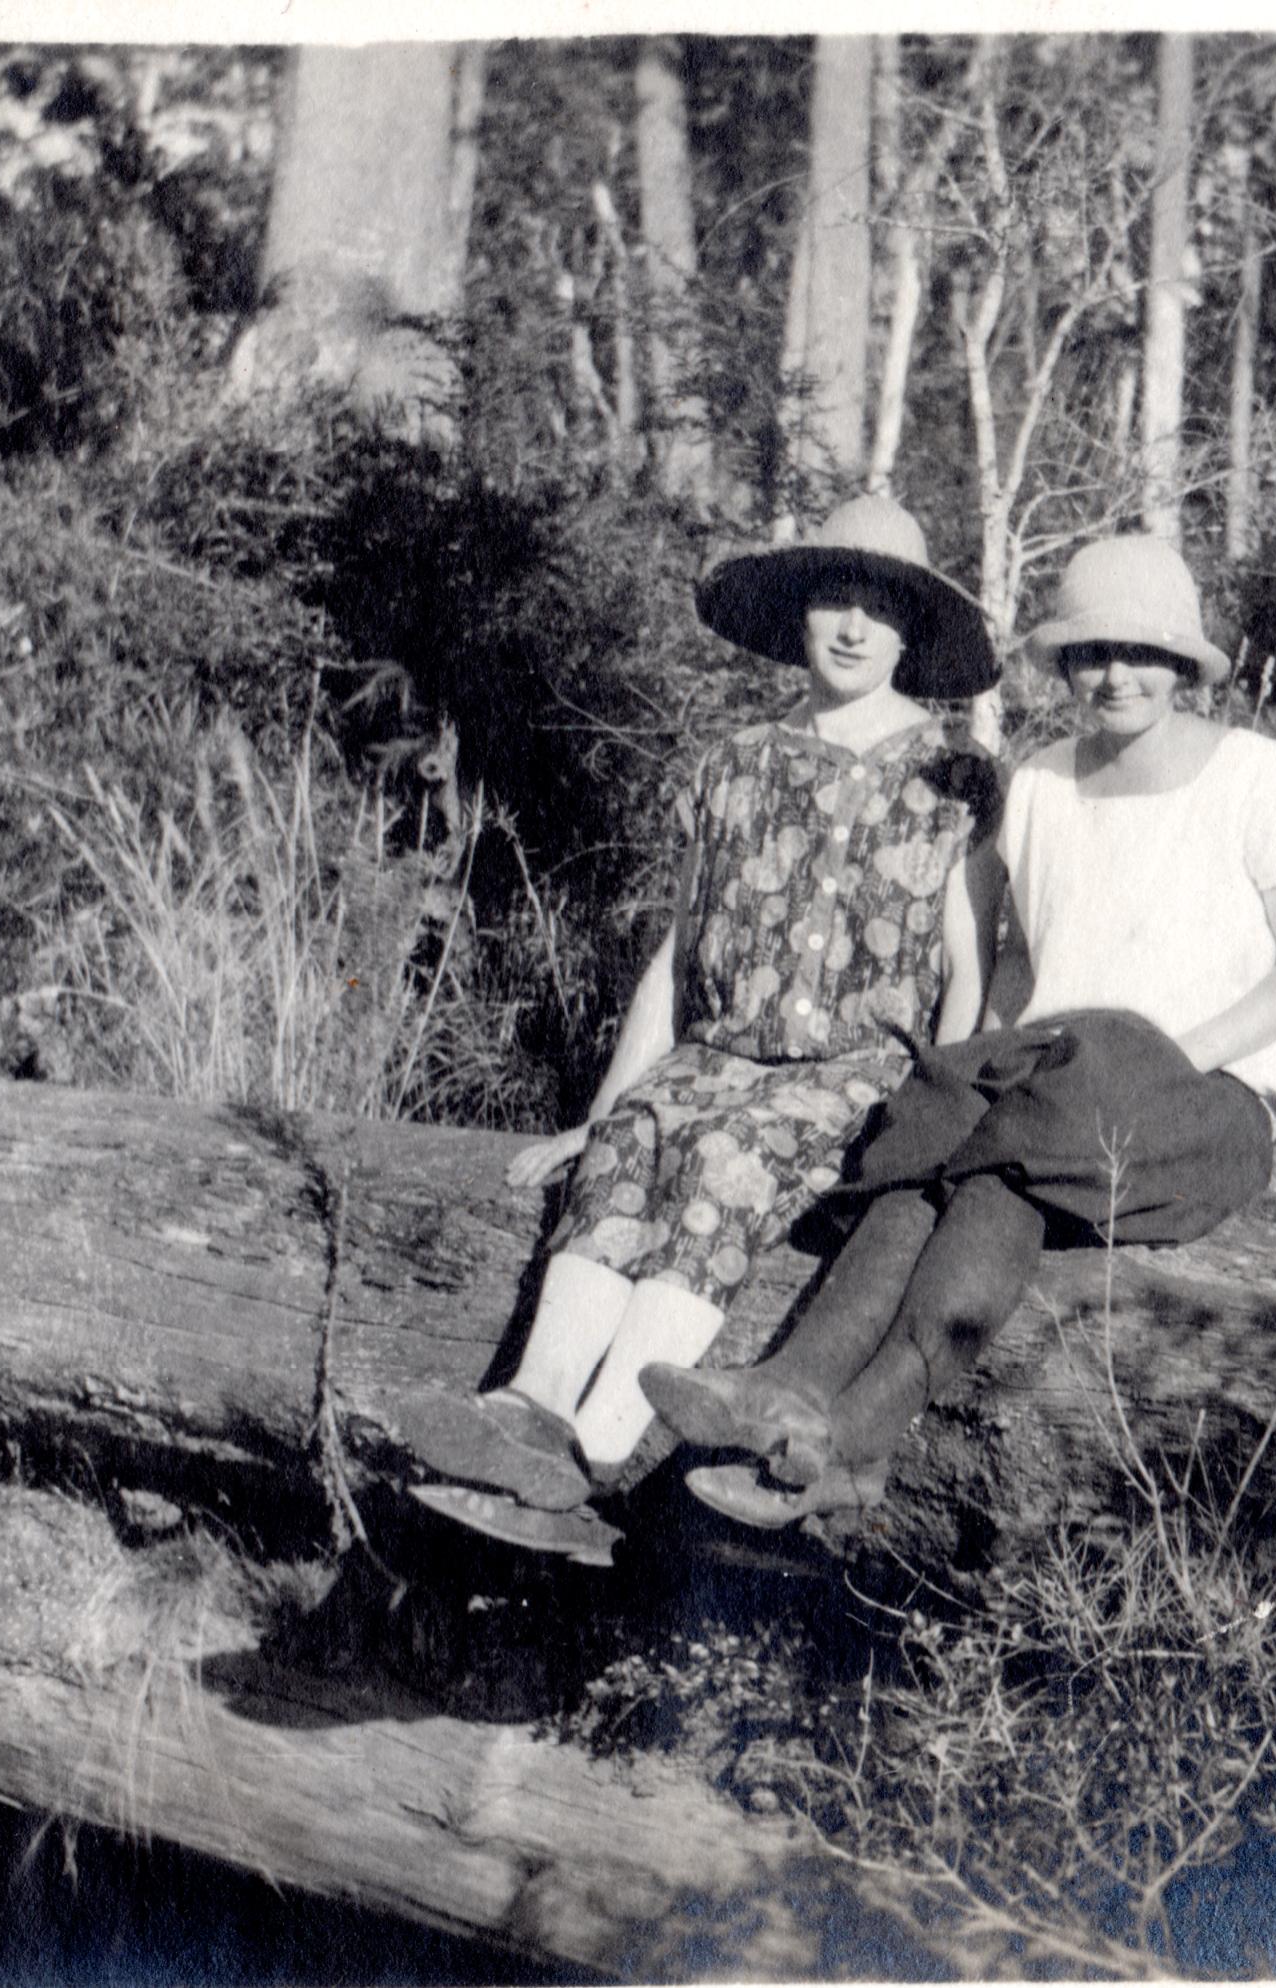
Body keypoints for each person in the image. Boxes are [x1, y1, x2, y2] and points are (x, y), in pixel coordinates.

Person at [639, 534, 1276, 1529]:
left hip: (1205, 1105)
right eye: (1092, 652)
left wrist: (1168, 1061)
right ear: (1063, 663)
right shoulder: (1043, 783)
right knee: (939, 1156)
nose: (1116, 676)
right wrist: (978, 1065)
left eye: (1143, 654)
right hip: (1062, 1091)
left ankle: (851, 1436)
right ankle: (789, 1395)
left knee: (1002, 1156)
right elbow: (1025, 960)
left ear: (1184, 665)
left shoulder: (1257, 775)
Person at [397, 496, 1001, 1561]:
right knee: (639, 1138)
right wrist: (601, 1114)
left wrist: (934, 1118)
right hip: (719, 1054)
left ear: (912, 631)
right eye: (831, 599)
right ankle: (527, 1409)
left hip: (848, 1076)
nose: (852, 627)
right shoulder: (734, 765)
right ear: (799, 615)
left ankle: (590, 1458)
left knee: (722, 1156)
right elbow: (677, 957)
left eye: (877, 607)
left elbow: (967, 969)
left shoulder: (951, 782)